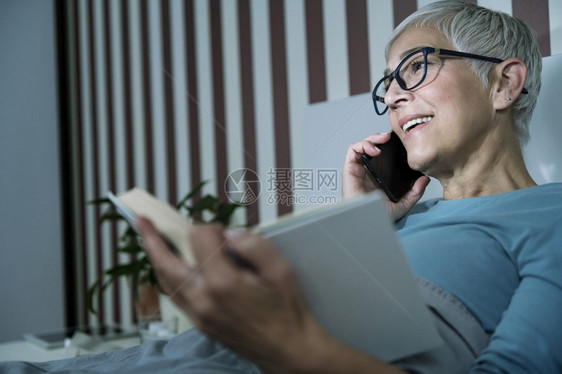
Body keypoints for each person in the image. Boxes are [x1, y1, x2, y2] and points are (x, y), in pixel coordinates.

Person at [3, 1, 560, 373]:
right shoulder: (403, 217)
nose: (392, 97)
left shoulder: (551, 216)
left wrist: (287, 342)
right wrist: (363, 223)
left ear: (503, 81)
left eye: (414, 68)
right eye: (387, 84)